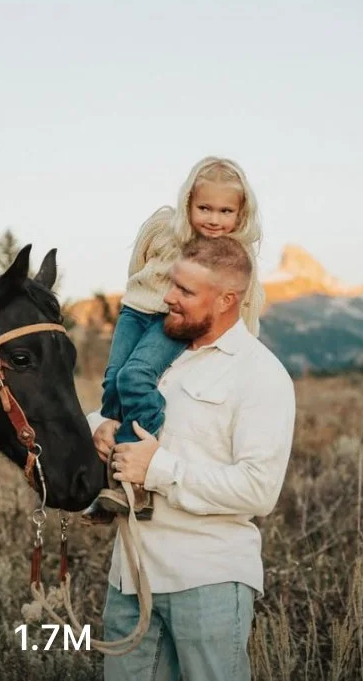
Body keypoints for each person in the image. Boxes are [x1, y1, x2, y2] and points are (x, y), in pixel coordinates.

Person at [87, 235, 295, 681]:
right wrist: (98, 428)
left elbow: (259, 489)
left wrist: (159, 469)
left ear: (226, 300)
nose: (167, 297)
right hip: (130, 581)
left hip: (208, 583)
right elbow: (113, 413)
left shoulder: (261, 375)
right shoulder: (158, 355)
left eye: (184, 291)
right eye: (171, 285)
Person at [82, 156, 265, 521]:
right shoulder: (164, 226)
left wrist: (244, 344)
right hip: (137, 310)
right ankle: (110, 479)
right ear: (187, 204)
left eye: (226, 211)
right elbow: (138, 265)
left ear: (241, 215)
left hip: (172, 320)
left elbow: (246, 296)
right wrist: (140, 298)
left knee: (135, 376)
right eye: (204, 208)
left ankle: (135, 481)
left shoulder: (229, 254)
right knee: (114, 381)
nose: (214, 219)